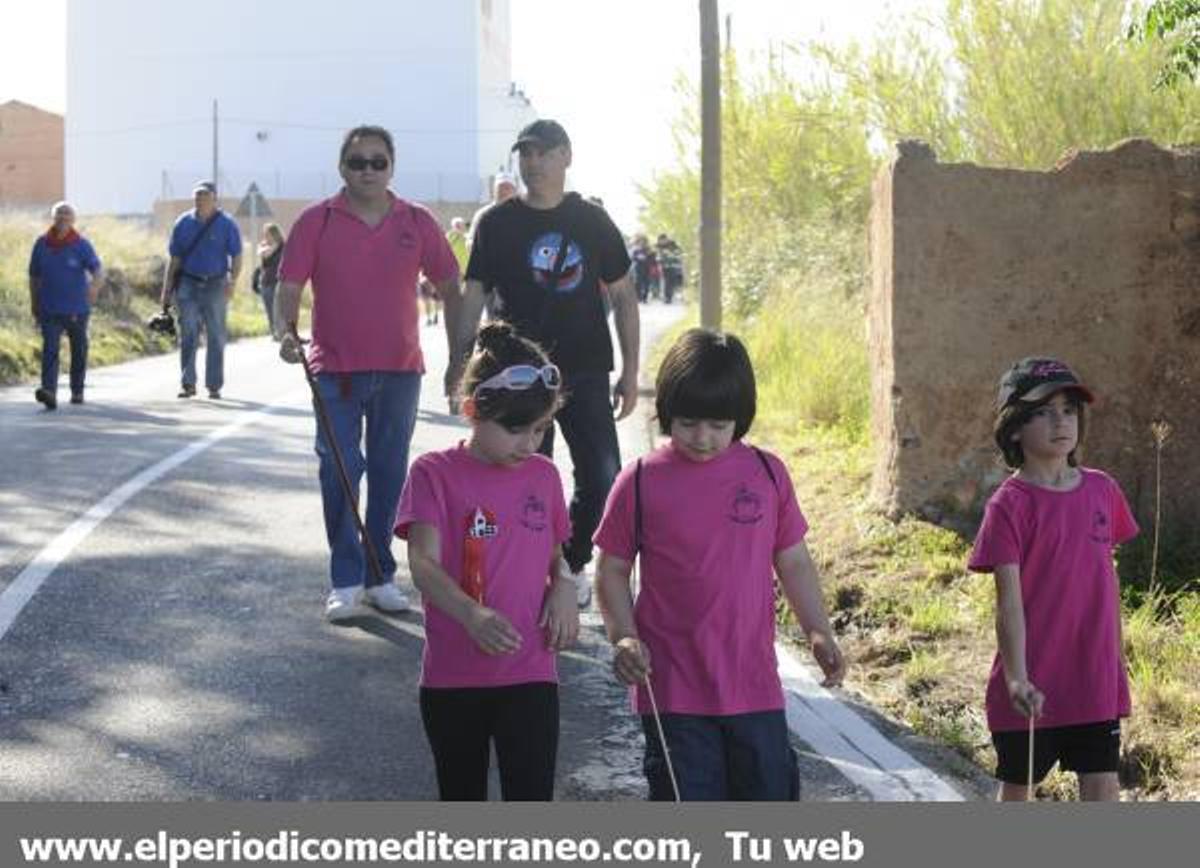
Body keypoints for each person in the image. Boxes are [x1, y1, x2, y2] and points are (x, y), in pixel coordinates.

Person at [593, 328, 846, 801]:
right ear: (667, 411)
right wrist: (623, 636)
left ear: (741, 418)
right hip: (671, 690)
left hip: (754, 685)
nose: (703, 438)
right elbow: (610, 570)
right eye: (688, 423)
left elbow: (792, 560)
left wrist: (818, 629)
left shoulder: (768, 474)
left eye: (718, 424)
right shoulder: (642, 481)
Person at [275, 125, 462, 622]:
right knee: (339, 472)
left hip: (400, 371)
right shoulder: (317, 221)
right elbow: (289, 287)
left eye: (378, 162)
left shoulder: (417, 221)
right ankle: (345, 579)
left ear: (392, 167)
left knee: (388, 476)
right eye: (358, 162)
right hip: (333, 370)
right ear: (342, 167)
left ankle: (381, 577)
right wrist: (287, 333)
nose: (368, 171)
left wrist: (464, 351)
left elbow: (452, 281)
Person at [457, 119, 640, 609]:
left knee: (603, 475)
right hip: (516, 373)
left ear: (566, 156)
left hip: (584, 367)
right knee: (526, 477)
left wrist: (632, 371)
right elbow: (473, 292)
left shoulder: (593, 221)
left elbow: (623, 297)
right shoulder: (497, 223)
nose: (532, 163)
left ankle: (572, 562)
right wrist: (461, 366)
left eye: (542, 153)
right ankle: (535, 568)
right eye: (526, 154)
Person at [394, 321, 580, 800]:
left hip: (531, 673)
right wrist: (470, 614)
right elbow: (423, 565)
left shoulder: (544, 477)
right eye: (516, 429)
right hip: (454, 678)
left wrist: (563, 588)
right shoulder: (433, 473)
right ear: (474, 410)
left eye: (541, 428)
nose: (529, 443)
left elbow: (555, 556)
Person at [968, 357, 1137, 802]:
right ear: (1015, 429)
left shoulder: (1103, 491)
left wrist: (1115, 665)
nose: (1060, 421)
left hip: (1093, 677)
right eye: (1042, 411)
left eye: (1068, 409)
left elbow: (1104, 581)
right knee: (1019, 790)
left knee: (1102, 784)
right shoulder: (1009, 505)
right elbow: (1008, 604)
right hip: (1031, 683)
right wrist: (1017, 679)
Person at [160, 180, 243, 400]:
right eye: (197, 196)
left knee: (215, 335)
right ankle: (188, 383)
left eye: (205, 196)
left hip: (216, 283)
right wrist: (166, 290)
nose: (200, 200)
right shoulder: (183, 223)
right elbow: (175, 258)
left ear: (215, 199)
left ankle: (214, 384)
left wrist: (232, 281)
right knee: (188, 333)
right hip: (187, 283)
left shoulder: (227, 224)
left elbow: (236, 256)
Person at [28, 201, 103, 409]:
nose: (63, 217)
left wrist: (94, 288)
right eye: (59, 214)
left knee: (79, 349)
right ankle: (49, 392)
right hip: (49, 308)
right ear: (54, 218)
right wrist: (34, 302)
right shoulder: (41, 244)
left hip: (77, 309)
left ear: (73, 220)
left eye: (67, 214)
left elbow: (97, 270)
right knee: (50, 349)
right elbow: (34, 276)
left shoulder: (81, 245)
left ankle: (77, 390)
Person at [252, 222, 286, 340]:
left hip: (278, 281)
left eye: (268, 234)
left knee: (278, 309)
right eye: (265, 234)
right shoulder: (264, 246)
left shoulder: (284, 246)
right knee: (269, 308)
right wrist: (272, 246)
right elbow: (264, 255)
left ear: (274, 234)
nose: (266, 236)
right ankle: (274, 331)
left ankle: (281, 332)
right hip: (266, 281)